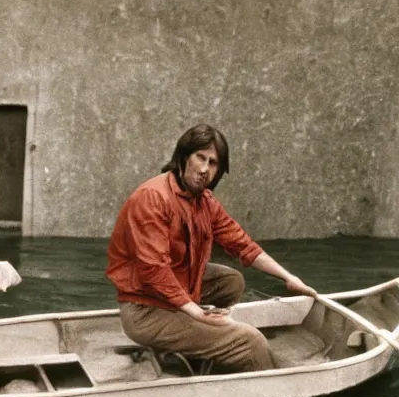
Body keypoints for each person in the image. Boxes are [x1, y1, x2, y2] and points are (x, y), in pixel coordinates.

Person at [106, 123, 315, 373]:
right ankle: (276, 391)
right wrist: (195, 313)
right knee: (250, 341)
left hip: (175, 295)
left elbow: (242, 244)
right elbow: (154, 270)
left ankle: (195, 347)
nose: (204, 169)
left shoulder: (204, 202)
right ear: (184, 157)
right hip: (144, 311)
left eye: (213, 163)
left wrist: (289, 277)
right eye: (200, 158)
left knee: (231, 281)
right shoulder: (153, 197)